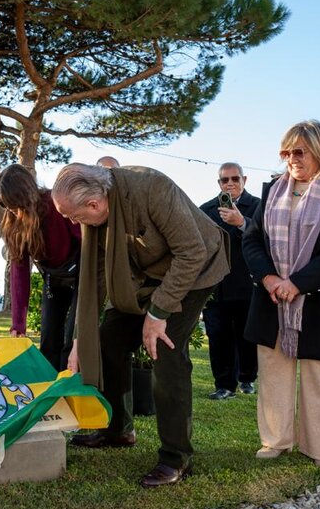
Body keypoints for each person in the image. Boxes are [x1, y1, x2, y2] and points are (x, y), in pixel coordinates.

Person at [52, 163, 229, 488]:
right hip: (147, 277)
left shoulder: (152, 188)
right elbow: (96, 279)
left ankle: (176, 457)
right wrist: (81, 338)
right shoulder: (98, 218)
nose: (71, 222)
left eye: (72, 216)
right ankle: (119, 430)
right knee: (107, 340)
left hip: (195, 270)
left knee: (163, 346)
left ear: (94, 204)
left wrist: (158, 314)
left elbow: (192, 252)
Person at [242, 120, 320, 474]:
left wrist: (297, 282)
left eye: (299, 151)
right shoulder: (272, 190)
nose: (291, 158)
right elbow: (251, 239)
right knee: (273, 373)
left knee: (319, 377)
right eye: (286, 151)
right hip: (272, 299)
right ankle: (275, 441)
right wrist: (269, 278)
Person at [0, 164, 81, 371]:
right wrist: (18, 324)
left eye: (16, 206)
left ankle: (72, 390)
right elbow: (19, 272)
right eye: (8, 207)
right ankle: (50, 392)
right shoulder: (13, 222)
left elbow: (85, 240)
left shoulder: (56, 204)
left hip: (81, 274)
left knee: (72, 339)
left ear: (27, 195)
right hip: (53, 280)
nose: (14, 212)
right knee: (49, 339)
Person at [199, 162, 261, 400]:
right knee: (218, 336)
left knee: (247, 337)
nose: (230, 184)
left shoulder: (257, 207)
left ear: (244, 179)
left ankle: (247, 378)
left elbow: (266, 238)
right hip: (216, 286)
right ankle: (224, 385)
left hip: (248, 284)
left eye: (235, 179)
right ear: (219, 183)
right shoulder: (205, 210)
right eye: (225, 180)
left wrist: (242, 223)